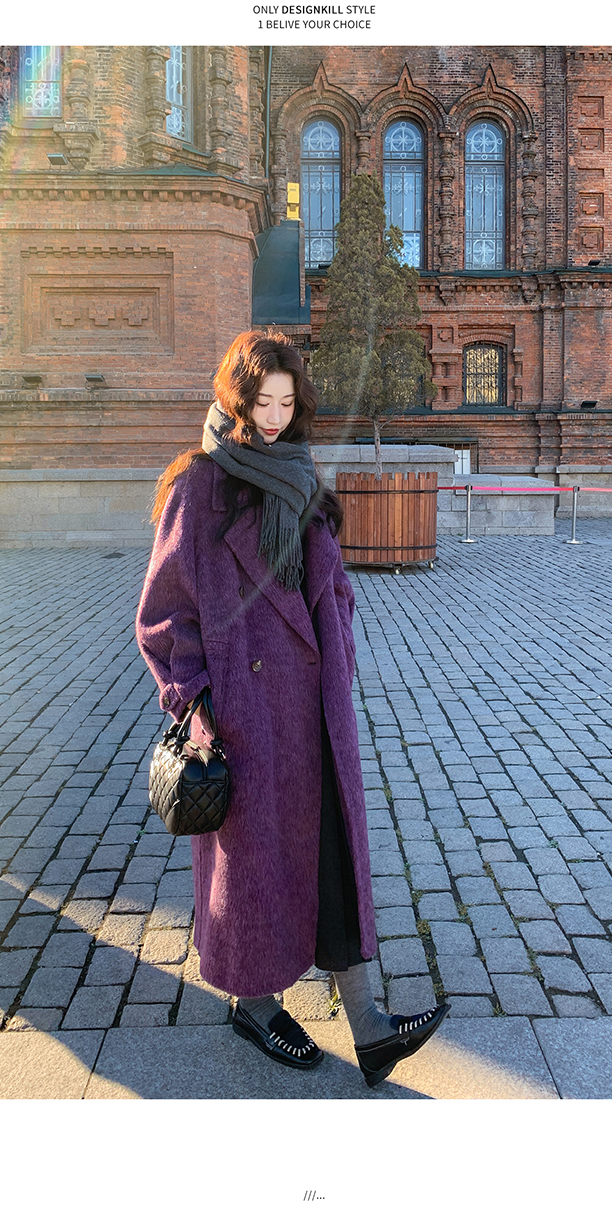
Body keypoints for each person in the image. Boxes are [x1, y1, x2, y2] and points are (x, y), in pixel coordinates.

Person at [136, 330, 448, 1088]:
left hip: (315, 706)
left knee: (333, 853)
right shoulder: (199, 486)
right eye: (261, 403)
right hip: (245, 713)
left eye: (285, 403)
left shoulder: (302, 475)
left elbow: (331, 584)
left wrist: (338, 633)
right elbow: (163, 613)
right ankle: (254, 1005)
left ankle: (370, 1028)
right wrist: (194, 703)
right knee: (256, 867)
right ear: (235, 400)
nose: (274, 418)